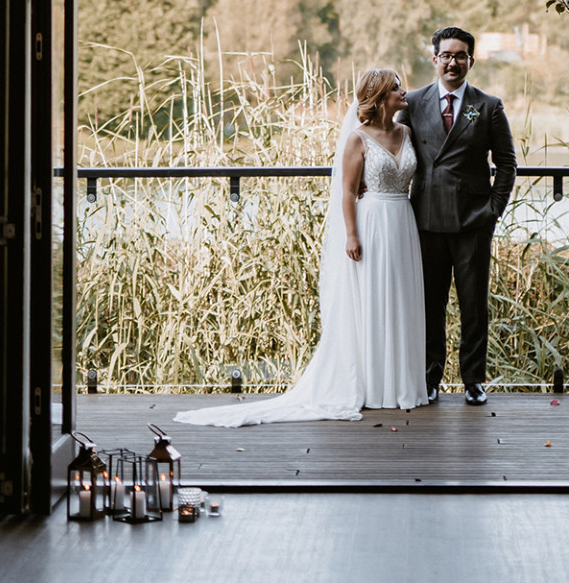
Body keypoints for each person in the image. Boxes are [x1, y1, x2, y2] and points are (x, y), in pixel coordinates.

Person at [173, 69, 427, 427]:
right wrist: (351, 235)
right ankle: (373, 387)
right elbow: (348, 192)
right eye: (397, 88)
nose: (404, 92)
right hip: (370, 224)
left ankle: (399, 385)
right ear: (381, 97)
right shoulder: (358, 139)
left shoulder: (406, 133)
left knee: (400, 298)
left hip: (402, 221)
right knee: (371, 298)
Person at [405, 27, 516, 406]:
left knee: (473, 304)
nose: (453, 62)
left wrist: (493, 210)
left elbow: (506, 164)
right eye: (446, 55)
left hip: (472, 221)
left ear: (471, 60)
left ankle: (473, 380)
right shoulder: (413, 103)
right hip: (425, 219)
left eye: (461, 55)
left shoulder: (488, 106)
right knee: (430, 304)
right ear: (434, 59)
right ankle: (430, 378)